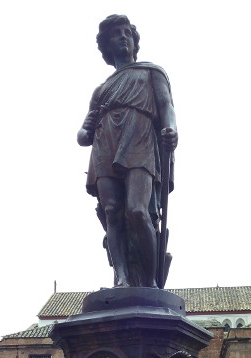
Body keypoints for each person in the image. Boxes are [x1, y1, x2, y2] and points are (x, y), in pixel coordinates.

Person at [77, 15, 178, 288]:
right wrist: (84, 132)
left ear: (134, 41)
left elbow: (166, 105)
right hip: (105, 143)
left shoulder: (151, 72)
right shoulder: (101, 90)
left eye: (127, 33)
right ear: (107, 46)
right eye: (115, 34)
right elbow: (83, 135)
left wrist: (171, 129)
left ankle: (148, 283)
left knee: (137, 210)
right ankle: (121, 278)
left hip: (139, 137)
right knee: (111, 210)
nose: (123, 37)